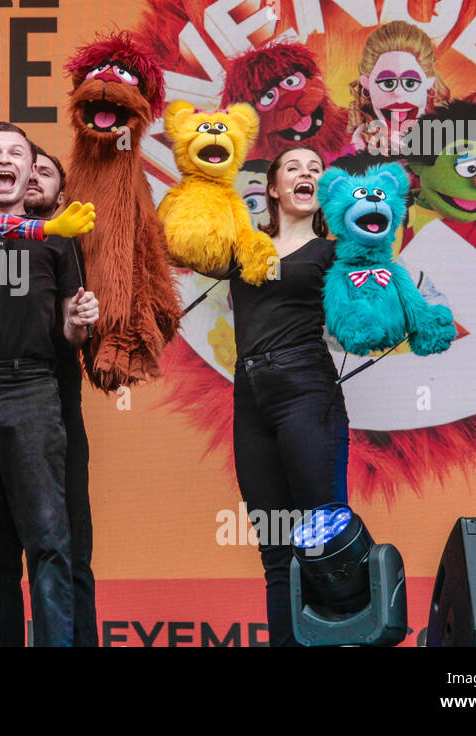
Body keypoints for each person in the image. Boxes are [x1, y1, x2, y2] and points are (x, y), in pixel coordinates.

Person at [0, 123, 99, 646]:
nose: (4, 161)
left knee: (50, 544)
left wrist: (79, 321)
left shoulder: (56, 239)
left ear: (31, 172)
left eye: (16, 154)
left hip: (30, 391)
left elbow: (69, 331)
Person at [211, 146, 350, 647]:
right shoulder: (245, 246)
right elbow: (182, 247)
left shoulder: (334, 252)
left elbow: (369, 307)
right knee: (276, 550)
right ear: (272, 188)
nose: (306, 173)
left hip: (305, 389)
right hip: (249, 394)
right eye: (294, 167)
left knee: (324, 540)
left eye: (315, 169)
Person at [0, 145, 99, 646]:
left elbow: (76, 331)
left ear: (61, 193)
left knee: (67, 547)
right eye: (26, 169)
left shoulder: (69, 247)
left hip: (56, 407)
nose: (32, 176)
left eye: (45, 172)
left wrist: (78, 325)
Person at [345, 21, 450, 156]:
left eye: (410, 83)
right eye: (388, 83)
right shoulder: (354, 143)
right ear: (367, 85)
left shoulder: (451, 140)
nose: (398, 93)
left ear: (429, 83)